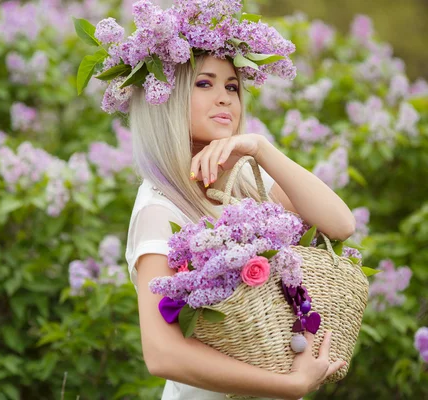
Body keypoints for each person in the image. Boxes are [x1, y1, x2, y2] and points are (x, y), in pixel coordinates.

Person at [76, 1, 357, 398]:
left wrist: (260, 148)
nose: (224, 98)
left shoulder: (243, 183)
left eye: (232, 87)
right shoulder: (159, 208)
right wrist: (287, 386)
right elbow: (162, 354)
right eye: (204, 83)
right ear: (166, 101)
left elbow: (340, 224)